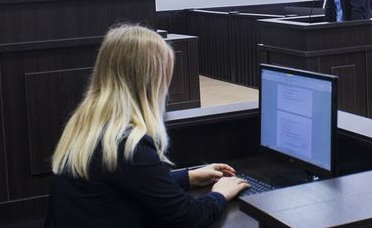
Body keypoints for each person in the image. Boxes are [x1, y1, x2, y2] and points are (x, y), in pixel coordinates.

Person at [46, 25, 249, 227]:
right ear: (149, 83)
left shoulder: (89, 124)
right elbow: (188, 217)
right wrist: (220, 194)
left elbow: (133, 180)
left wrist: (189, 177)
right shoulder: (128, 145)